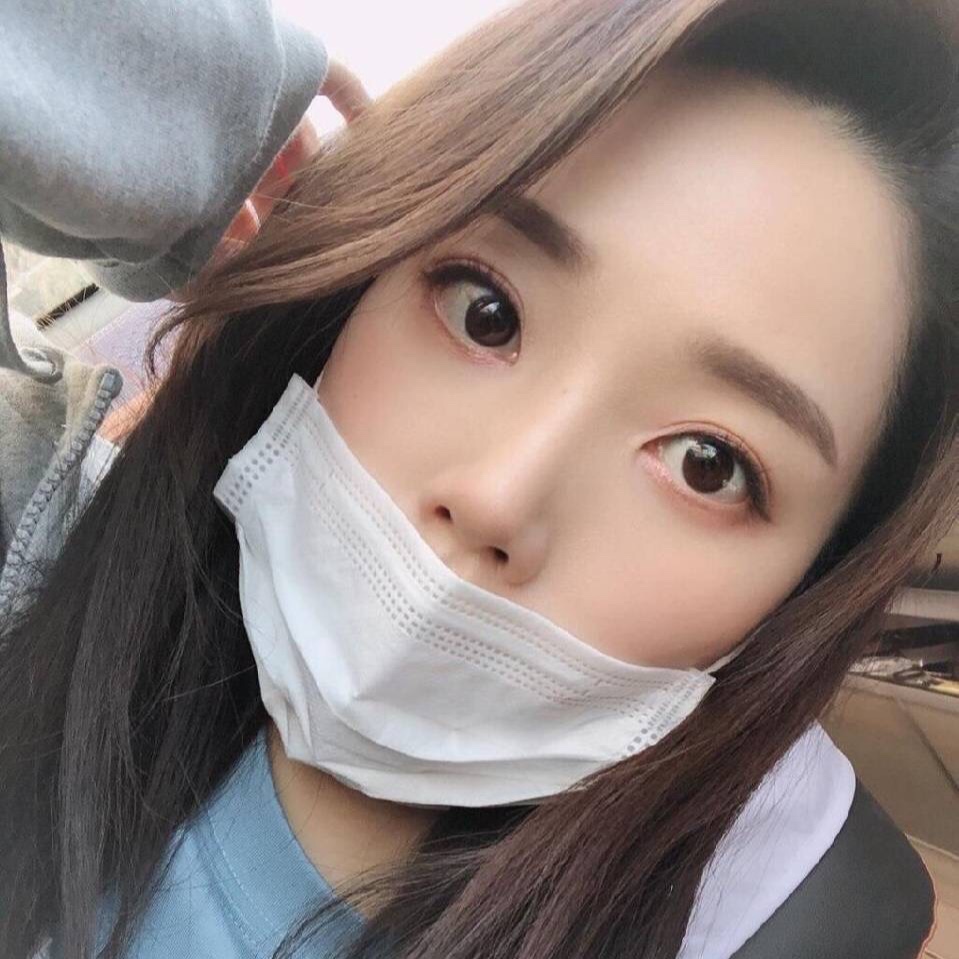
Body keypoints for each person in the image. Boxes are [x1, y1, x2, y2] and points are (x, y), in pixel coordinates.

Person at [0, 0, 955, 957]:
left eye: (707, 465)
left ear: (810, 582)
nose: (499, 495)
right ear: (361, 274)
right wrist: (228, 114)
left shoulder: (775, 921)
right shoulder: (38, 529)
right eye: (484, 310)